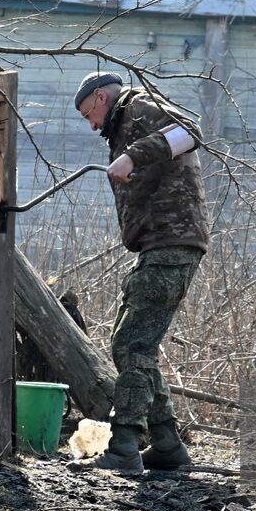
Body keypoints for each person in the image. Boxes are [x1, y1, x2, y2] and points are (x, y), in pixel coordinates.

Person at [71, 71, 210, 474]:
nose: (92, 125)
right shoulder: (123, 122)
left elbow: (190, 130)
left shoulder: (139, 104)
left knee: (132, 345)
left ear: (100, 97)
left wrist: (132, 155)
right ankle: (166, 443)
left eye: (88, 115)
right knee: (132, 344)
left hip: (173, 242)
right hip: (158, 245)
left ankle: (125, 446)